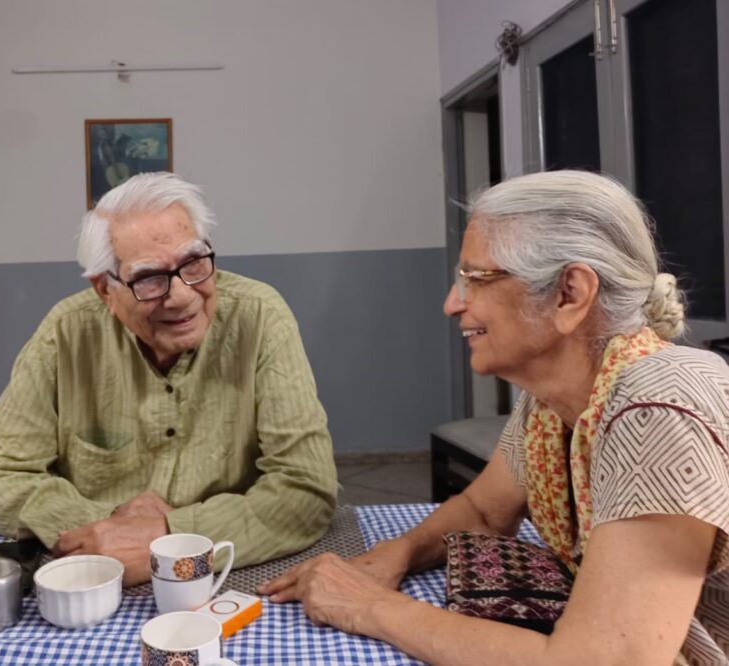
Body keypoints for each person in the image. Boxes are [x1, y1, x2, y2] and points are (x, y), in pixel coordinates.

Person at [260, 170, 729, 666]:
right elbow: (484, 512)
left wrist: (369, 607)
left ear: (569, 293)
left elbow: (602, 661)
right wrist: (391, 557)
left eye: (474, 278)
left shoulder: (658, 407)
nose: (452, 303)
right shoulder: (553, 398)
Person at [0, 172, 337, 585]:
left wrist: (168, 536)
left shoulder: (262, 318)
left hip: (235, 574)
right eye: (149, 278)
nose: (181, 295)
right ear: (105, 290)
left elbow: (307, 489)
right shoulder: (65, 334)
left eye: (194, 264)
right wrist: (106, 528)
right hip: (97, 575)